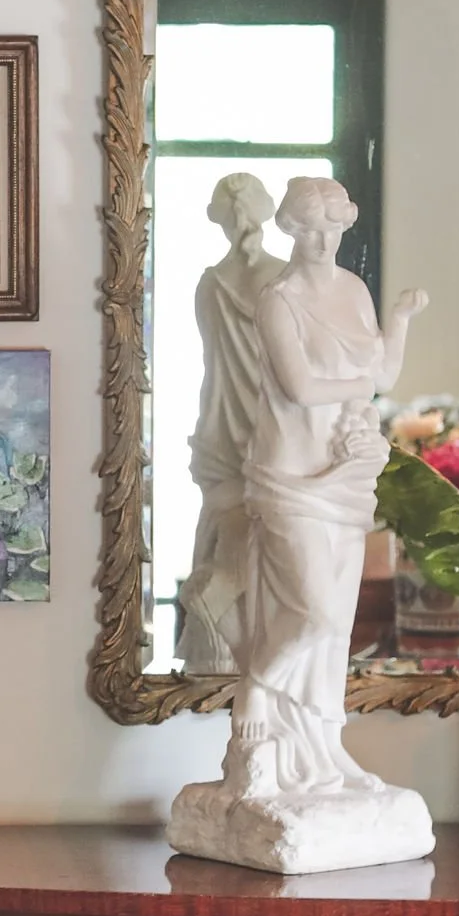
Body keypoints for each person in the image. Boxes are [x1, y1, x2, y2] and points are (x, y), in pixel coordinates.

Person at [224, 176, 426, 803]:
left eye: (333, 228)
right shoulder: (278, 299)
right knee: (312, 611)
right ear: (290, 229)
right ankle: (258, 686)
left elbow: (384, 371)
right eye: (310, 229)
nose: (322, 240)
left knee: (337, 624)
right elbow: (301, 387)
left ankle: (323, 748)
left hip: (345, 473)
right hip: (291, 474)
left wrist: (399, 320)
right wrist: (365, 388)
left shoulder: (354, 290)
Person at [176, 172, 285, 671]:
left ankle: (223, 655)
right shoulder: (287, 281)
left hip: (220, 432)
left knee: (229, 538)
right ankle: (252, 656)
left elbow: (213, 358)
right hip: (274, 435)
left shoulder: (210, 285)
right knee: (270, 555)